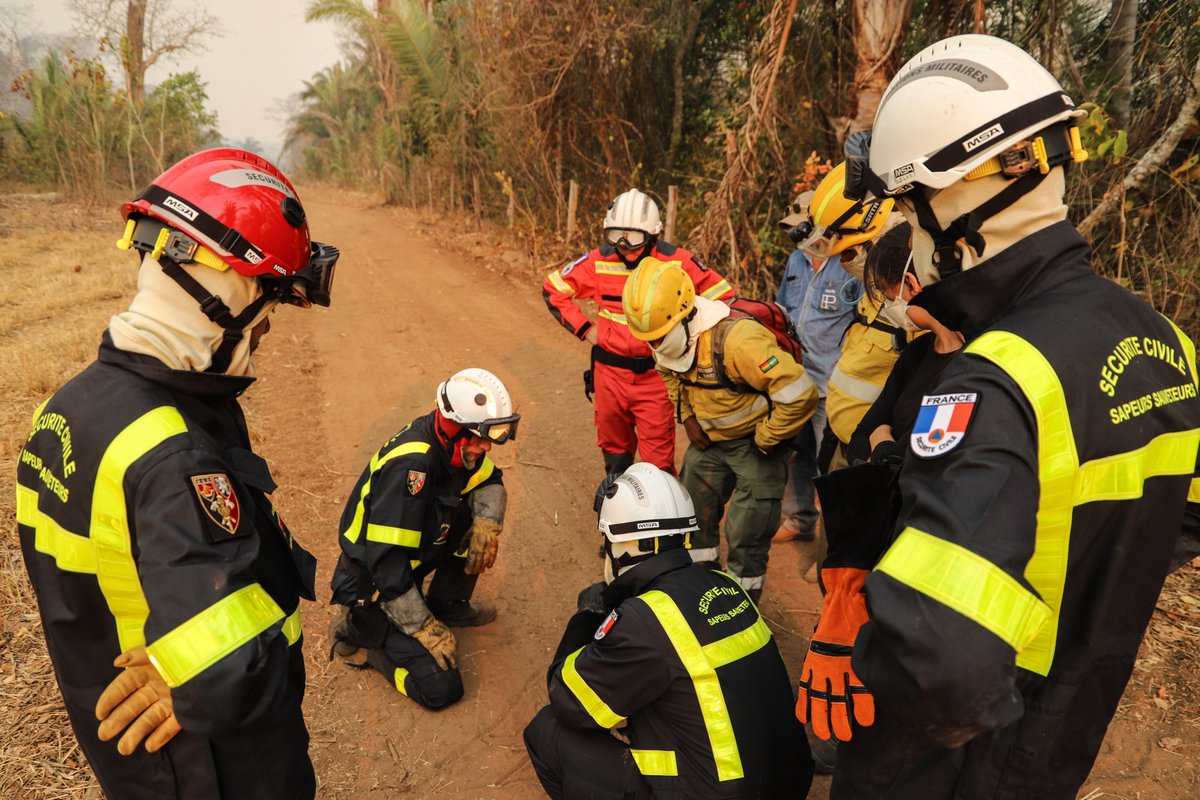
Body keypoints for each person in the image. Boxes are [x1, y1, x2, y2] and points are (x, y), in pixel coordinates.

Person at [825, 33, 1200, 797]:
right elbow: (1179, 522)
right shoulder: (1166, 342)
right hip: (1065, 732)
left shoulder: (994, 380)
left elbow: (946, 669)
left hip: (958, 763)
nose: (908, 234)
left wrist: (867, 651)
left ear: (958, 203)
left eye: (907, 205)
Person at [15, 147, 337, 799]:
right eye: (266, 300)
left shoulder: (65, 408)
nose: (267, 326)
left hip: (130, 755)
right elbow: (231, 671)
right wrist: (182, 668)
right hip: (209, 763)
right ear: (223, 293)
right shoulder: (174, 455)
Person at [524, 463, 813, 799]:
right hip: (789, 783)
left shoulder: (644, 619)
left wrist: (587, 618)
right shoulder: (726, 585)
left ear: (623, 545)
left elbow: (568, 700)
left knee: (547, 731)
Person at [622, 258, 817, 601]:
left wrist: (767, 439)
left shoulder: (740, 342)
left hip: (757, 445)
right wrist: (688, 418)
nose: (653, 347)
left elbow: (800, 394)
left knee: (746, 532)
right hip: (709, 442)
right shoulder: (663, 332)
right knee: (690, 519)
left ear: (685, 316)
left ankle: (740, 610)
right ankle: (698, 596)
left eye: (658, 339)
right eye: (648, 340)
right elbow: (669, 372)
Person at [328, 368, 516, 710]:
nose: (486, 447)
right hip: (376, 584)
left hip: (404, 566)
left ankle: (447, 603)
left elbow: (491, 480)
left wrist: (488, 523)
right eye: (479, 437)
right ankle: (366, 642)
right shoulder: (413, 465)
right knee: (441, 689)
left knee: (473, 517)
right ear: (453, 425)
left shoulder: (453, 445)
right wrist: (422, 626)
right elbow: (386, 564)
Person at [543, 188, 735, 476]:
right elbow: (553, 289)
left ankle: (660, 514)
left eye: (634, 239)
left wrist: (690, 340)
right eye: (616, 237)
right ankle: (617, 508)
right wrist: (587, 330)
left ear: (653, 236)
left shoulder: (677, 262)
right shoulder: (598, 262)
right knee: (615, 453)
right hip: (608, 374)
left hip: (656, 377)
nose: (624, 246)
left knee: (658, 463)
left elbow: (724, 298)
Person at [773, 165, 893, 542]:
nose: (801, 239)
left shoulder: (851, 262)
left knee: (836, 463)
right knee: (798, 454)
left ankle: (837, 536)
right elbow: (781, 309)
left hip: (833, 381)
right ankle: (799, 519)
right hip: (796, 377)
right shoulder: (795, 262)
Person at [846, 223, 964, 465]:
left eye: (885, 292)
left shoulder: (968, 364)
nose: (888, 305)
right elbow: (861, 435)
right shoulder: (918, 352)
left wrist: (880, 441)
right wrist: (882, 446)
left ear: (912, 284)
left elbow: (912, 464)